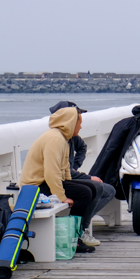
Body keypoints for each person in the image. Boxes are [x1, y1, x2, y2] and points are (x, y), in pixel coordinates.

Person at [20, 106, 100, 253]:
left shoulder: (62, 137)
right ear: (70, 122)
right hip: (36, 185)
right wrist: (62, 197)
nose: (81, 127)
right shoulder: (54, 139)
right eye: (79, 123)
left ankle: (77, 232)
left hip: (46, 182)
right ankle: (74, 238)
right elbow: (51, 173)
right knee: (85, 193)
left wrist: (70, 185)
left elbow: (64, 170)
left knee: (91, 188)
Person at [48, 101, 116, 247]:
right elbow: (53, 172)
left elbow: (81, 149)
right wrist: (87, 177)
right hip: (54, 182)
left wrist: (75, 166)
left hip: (66, 177)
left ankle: (80, 224)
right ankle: (80, 229)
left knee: (102, 189)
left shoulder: (71, 137)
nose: (80, 125)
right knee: (95, 188)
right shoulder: (58, 139)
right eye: (77, 119)